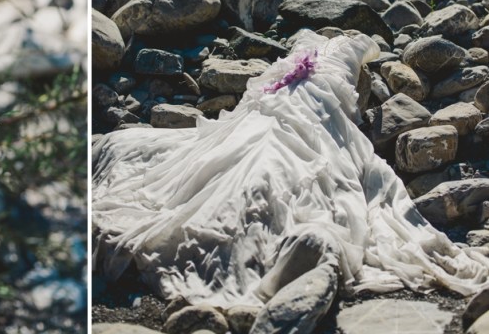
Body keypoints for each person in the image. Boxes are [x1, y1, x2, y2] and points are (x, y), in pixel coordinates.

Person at [93, 29, 489, 308]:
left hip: (284, 97)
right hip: (310, 102)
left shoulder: (303, 53)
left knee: (256, 148)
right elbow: (364, 53)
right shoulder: (352, 47)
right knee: (299, 158)